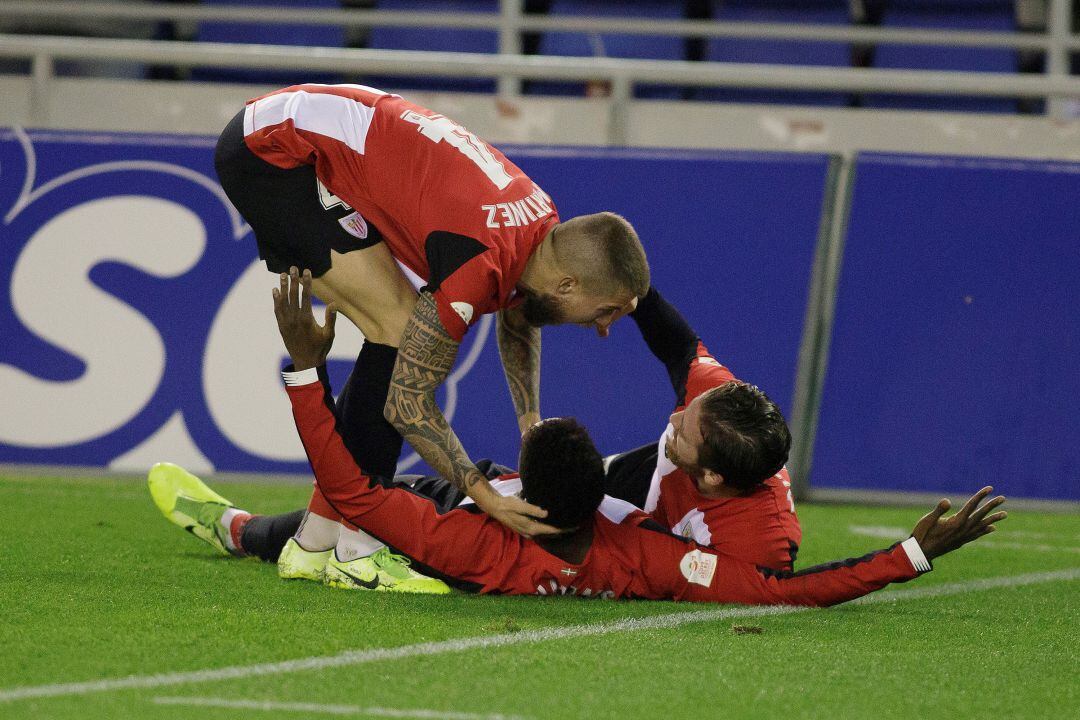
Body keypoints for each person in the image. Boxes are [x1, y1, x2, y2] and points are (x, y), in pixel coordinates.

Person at [149, 270, 1007, 604]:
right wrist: (632, 290)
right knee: (401, 507)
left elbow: (785, 588)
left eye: (688, 430)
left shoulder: (760, 537)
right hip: (582, 522)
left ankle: (233, 528)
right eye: (690, 407)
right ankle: (263, 534)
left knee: (375, 513)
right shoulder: (647, 543)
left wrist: (304, 373)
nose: (678, 411)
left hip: (506, 527)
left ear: (712, 484)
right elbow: (681, 348)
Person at [214, 83, 650, 589]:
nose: (603, 328)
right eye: (607, 311)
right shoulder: (478, 258)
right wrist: (485, 495)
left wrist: (529, 420)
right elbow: (407, 403)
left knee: (395, 325)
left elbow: (518, 315)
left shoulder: (540, 232)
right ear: (569, 284)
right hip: (272, 150)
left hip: (307, 130)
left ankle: (317, 538)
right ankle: (359, 550)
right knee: (397, 328)